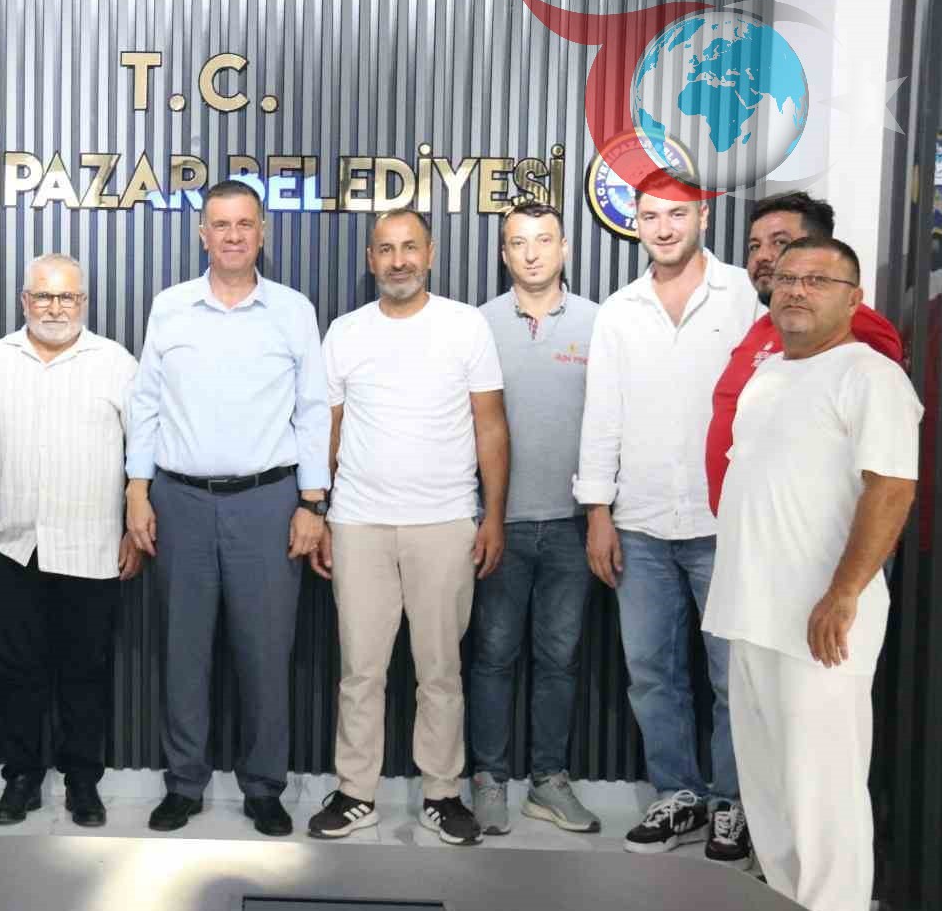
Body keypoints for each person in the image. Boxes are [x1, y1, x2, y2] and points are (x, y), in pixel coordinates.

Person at [703, 236, 920, 911]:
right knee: (770, 795)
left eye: (818, 280)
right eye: (788, 278)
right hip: (752, 614)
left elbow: (891, 487)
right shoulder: (769, 373)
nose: (796, 290)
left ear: (854, 299)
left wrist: (845, 591)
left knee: (823, 795)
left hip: (823, 622)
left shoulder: (870, 376)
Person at [126, 179, 330, 838]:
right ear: (202, 235)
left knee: (266, 653)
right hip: (179, 499)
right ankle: (183, 784)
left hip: (268, 503)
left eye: (245, 224)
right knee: (183, 651)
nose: (234, 235)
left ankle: (264, 788)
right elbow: (145, 405)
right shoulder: (171, 308)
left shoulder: (293, 311)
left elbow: (313, 410)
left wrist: (312, 502)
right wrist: (137, 489)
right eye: (221, 224)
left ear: (263, 232)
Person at [305, 209, 507, 845]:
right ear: (371, 259)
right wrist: (320, 512)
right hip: (358, 523)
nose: (399, 261)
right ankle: (355, 793)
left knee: (440, 671)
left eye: (409, 247)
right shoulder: (345, 332)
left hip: (445, 523)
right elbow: (327, 428)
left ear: (431, 253)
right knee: (360, 671)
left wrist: (493, 515)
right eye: (386, 249)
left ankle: (442, 795)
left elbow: (491, 425)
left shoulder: (465, 326)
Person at [574, 175, 760, 866]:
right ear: (637, 223)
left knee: (731, 675)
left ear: (701, 218)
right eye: (650, 216)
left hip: (724, 521)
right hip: (642, 522)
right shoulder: (620, 310)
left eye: (676, 215)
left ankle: (733, 803)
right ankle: (678, 794)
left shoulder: (743, 296)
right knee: (652, 671)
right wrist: (599, 512)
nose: (663, 228)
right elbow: (603, 416)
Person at [0, 253, 142, 828]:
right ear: (24, 300)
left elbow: (143, 451)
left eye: (67, 297)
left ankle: (83, 783)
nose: (55, 308)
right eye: (43, 296)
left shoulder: (117, 364)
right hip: (11, 545)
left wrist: (134, 526)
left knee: (86, 674)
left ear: (83, 301)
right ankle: (22, 780)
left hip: (92, 546)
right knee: (16, 673)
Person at [466, 202, 602, 836]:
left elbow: (612, 422)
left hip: (573, 524)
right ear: (503, 253)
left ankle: (548, 781)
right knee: (493, 655)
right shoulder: (478, 324)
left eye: (544, 240)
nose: (531, 253)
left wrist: (601, 512)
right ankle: (488, 779)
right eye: (518, 242)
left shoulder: (598, 324)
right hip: (500, 523)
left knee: (560, 659)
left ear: (564, 248)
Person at [706, 193, 903, 514]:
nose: (762, 256)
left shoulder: (853, 324)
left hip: (811, 534)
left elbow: (882, 461)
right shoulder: (763, 328)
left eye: (779, 242)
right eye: (754, 246)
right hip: (745, 530)